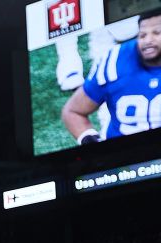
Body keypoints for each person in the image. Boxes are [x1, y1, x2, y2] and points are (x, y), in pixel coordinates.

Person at [61, 10, 161, 144]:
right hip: (124, 158)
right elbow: (73, 111)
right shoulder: (114, 61)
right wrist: (89, 140)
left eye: (157, 33)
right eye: (142, 35)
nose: (148, 40)